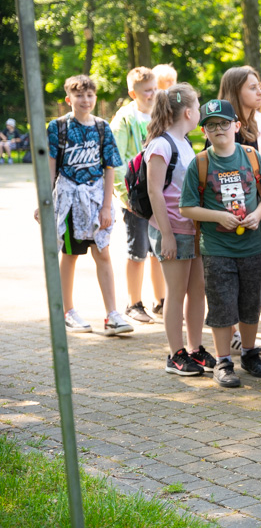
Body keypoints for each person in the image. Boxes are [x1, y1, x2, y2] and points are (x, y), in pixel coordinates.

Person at [179, 99, 261, 388]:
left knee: (250, 303)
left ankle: (249, 353)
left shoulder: (252, 156)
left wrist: (258, 216)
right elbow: (186, 208)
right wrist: (218, 215)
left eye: (223, 123)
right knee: (221, 306)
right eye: (211, 125)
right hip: (217, 249)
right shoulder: (200, 163)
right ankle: (223, 361)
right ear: (204, 131)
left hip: (253, 247)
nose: (218, 129)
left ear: (237, 125)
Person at [46, 75, 132, 336]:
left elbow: (109, 169)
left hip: (95, 201)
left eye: (90, 95)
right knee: (70, 254)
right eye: (79, 95)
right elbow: (51, 169)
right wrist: (44, 203)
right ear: (68, 98)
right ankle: (66, 310)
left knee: (103, 253)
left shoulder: (102, 128)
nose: (85, 100)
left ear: (96, 98)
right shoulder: (57, 128)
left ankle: (112, 314)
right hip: (69, 201)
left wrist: (107, 206)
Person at [145, 83, 216, 376]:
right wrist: (168, 235)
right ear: (188, 112)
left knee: (197, 290)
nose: (199, 112)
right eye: (198, 107)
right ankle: (175, 355)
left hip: (193, 230)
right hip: (171, 230)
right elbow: (154, 191)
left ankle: (194, 349)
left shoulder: (185, 143)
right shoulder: (161, 145)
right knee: (176, 293)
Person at [217, 66, 261, 351]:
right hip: (228, 212)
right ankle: (231, 331)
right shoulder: (223, 125)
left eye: (259, 85)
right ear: (235, 90)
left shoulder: (258, 123)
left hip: (255, 207)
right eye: (252, 87)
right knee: (228, 272)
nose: (260, 91)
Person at [111, 67, 166, 325]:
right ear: (133, 93)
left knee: (158, 249)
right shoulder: (125, 119)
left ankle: (161, 300)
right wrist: (125, 194)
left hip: (159, 195)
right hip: (135, 197)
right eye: (147, 91)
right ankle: (133, 303)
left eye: (155, 89)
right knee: (138, 250)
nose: (152, 94)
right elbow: (116, 158)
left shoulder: (160, 114)